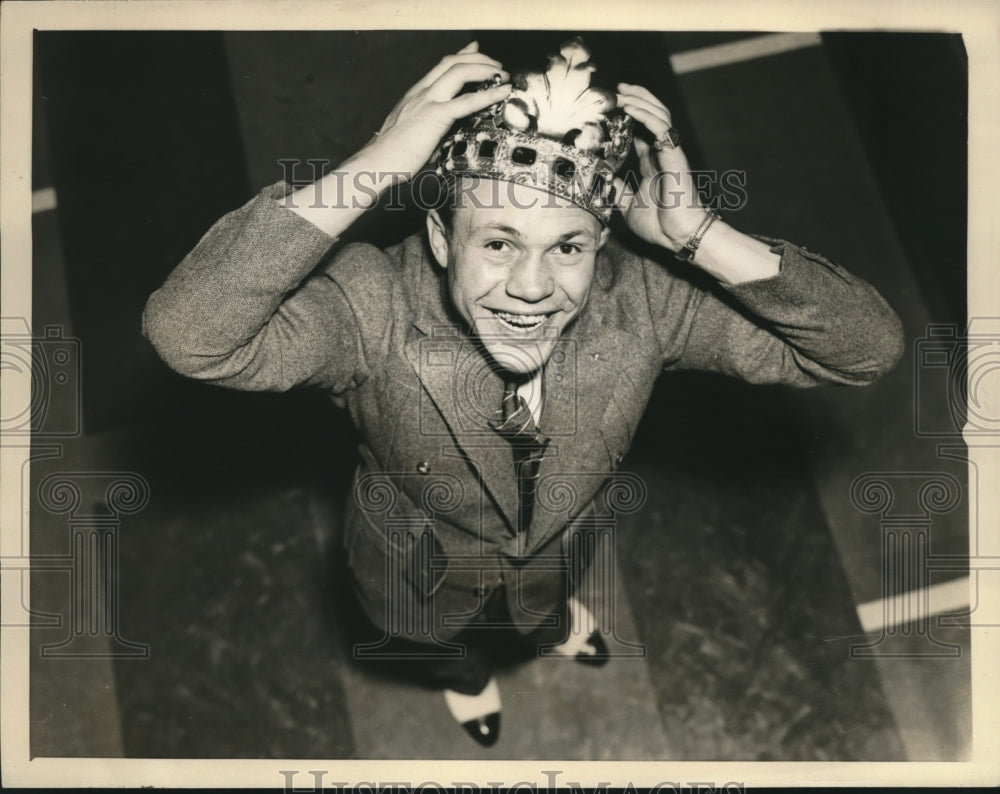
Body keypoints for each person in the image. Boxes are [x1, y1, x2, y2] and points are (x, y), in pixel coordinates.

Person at [143, 38, 904, 747]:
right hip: (413, 567)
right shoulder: (370, 307)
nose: (532, 289)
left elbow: (865, 348)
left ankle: (547, 627)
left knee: (540, 608)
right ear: (442, 240)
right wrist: (380, 162)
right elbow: (190, 335)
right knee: (435, 644)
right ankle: (464, 678)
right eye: (498, 243)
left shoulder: (642, 303)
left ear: (600, 245)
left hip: (558, 551)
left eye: (567, 247)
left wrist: (697, 234)